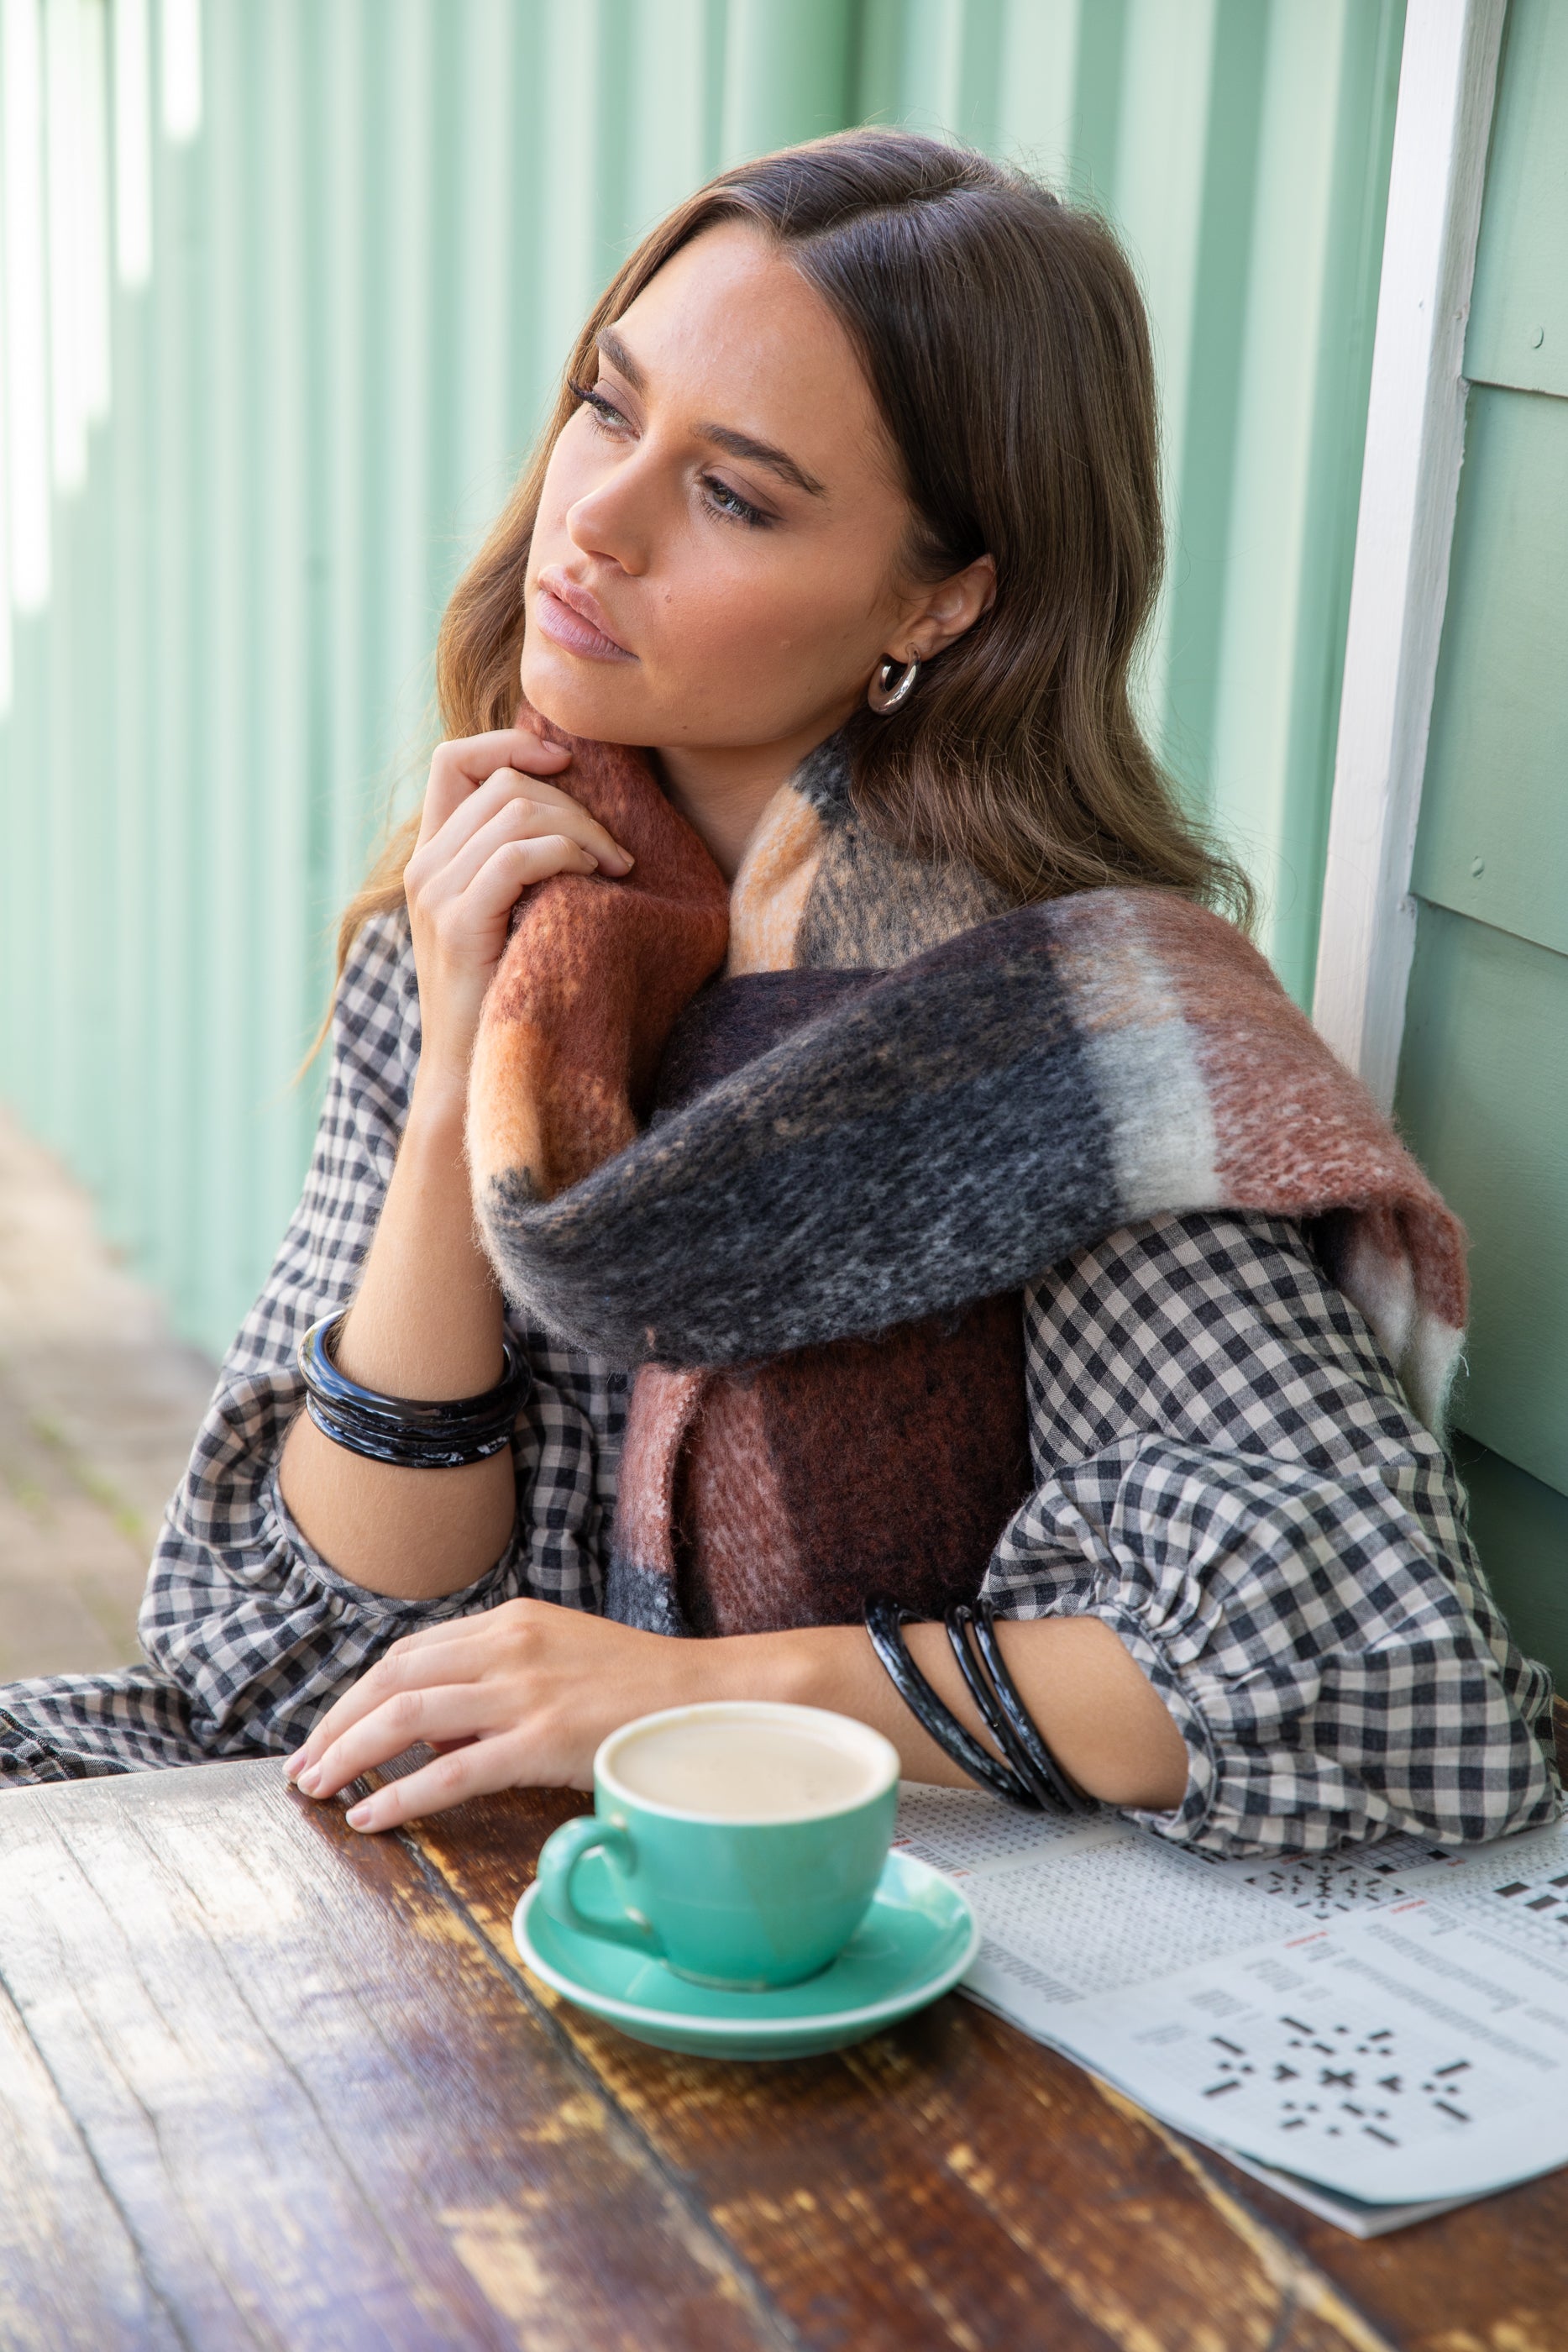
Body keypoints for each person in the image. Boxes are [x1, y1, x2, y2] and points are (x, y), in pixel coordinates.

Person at [0, 132, 1554, 1859]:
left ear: (943, 600)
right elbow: (301, 1648)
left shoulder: (1038, 1039)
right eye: (607, 404)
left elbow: (1387, 1668)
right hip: (537, 1883)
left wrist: (700, 1691)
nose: (592, 515)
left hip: (876, 1926)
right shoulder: (519, 910)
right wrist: (455, 1064)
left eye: (732, 493)